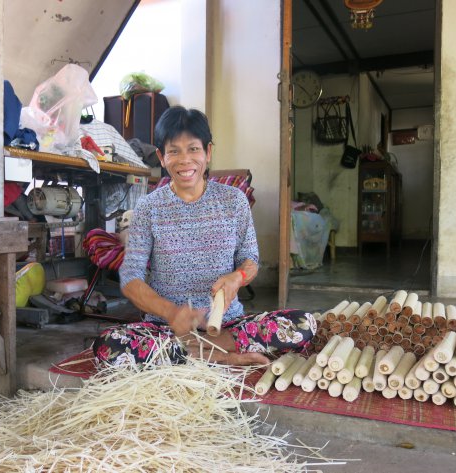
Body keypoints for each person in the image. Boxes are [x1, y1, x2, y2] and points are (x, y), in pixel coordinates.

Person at [92, 106, 316, 366]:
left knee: (302, 324)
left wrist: (237, 277)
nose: (185, 160)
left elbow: (250, 259)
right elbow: (131, 279)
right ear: (161, 157)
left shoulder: (234, 201)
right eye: (174, 151)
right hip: (168, 329)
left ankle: (199, 353)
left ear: (208, 152)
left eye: (193, 149)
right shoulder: (149, 207)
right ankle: (220, 357)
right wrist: (172, 313)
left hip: (227, 325)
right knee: (109, 346)